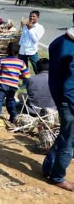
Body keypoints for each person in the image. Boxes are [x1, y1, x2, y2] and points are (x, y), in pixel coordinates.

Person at [42, 28, 74, 191]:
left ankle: (48, 167)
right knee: (69, 141)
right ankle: (57, 177)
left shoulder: (59, 41)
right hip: (69, 101)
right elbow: (70, 85)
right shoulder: (72, 48)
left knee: (64, 134)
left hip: (59, 95)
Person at [0, 43, 30, 135]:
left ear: (7, 50)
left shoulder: (2, 61)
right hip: (13, 86)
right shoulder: (21, 62)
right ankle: (14, 118)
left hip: (2, 85)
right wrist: (18, 75)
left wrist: (2, 73)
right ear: (18, 52)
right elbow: (27, 75)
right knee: (11, 101)